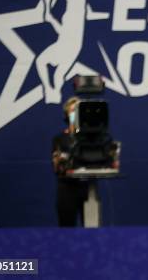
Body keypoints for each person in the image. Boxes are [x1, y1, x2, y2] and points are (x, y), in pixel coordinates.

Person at [52, 96, 89, 227]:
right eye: (72, 111)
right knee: (66, 230)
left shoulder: (92, 138)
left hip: (88, 190)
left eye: (79, 110)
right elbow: (57, 167)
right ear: (67, 114)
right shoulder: (59, 139)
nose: (76, 114)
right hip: (67, 190)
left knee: (92, 230)